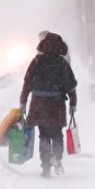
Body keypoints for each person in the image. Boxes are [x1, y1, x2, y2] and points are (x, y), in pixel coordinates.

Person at [19, 32, 78, 178]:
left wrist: (23, 102)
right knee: (57, 134)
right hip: (56, 105)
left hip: (39, 105)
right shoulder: (61, 63)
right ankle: (57, 157)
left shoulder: (36, 61)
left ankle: (45, 167)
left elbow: (27, 83)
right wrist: (73, 103)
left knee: (43, 135)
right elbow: (70, 86)